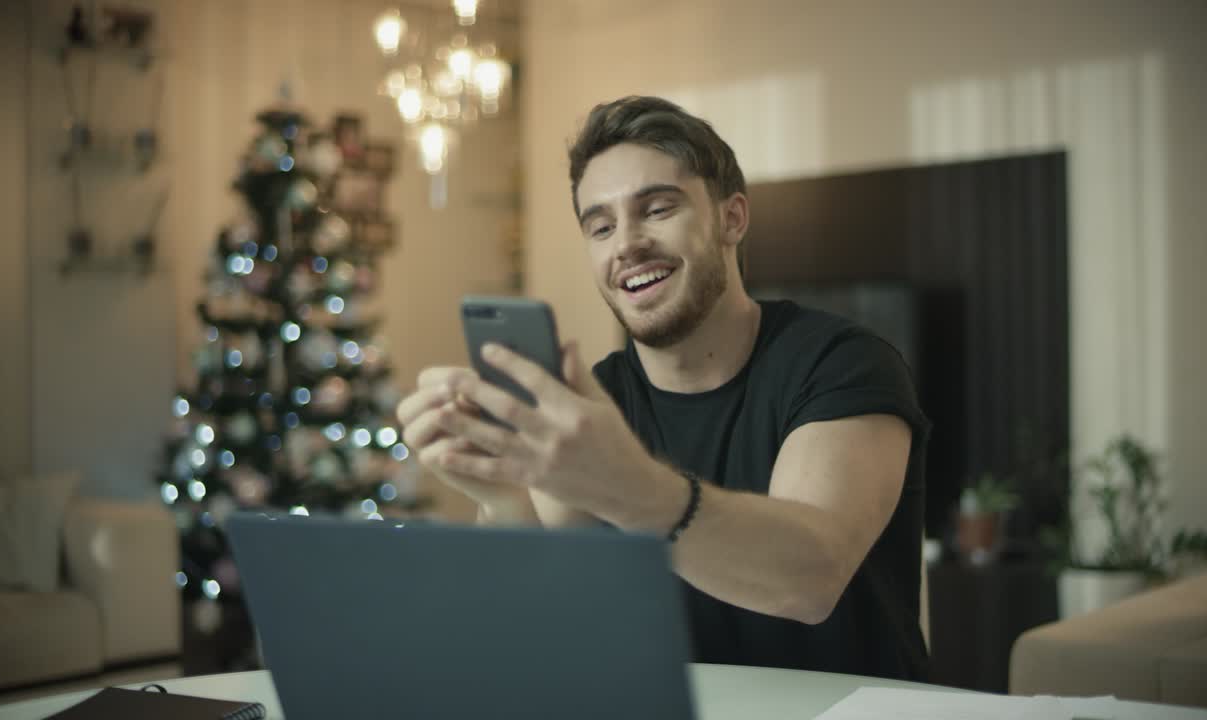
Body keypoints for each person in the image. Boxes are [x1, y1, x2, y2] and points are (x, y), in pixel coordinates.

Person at [396, 96, 930, 681]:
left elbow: (808, 580)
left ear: (732, 218)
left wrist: (628, 484)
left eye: (655, 209)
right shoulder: (596, 400)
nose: (626, 244)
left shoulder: (841, 363)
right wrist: (498, 497)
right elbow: (547, 616)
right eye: (600, 226)